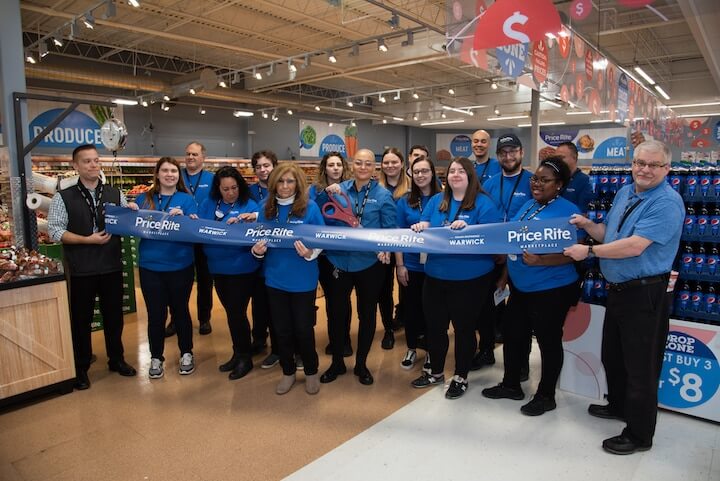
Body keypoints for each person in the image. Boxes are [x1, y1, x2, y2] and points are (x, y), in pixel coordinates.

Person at [563, 140, 684, 455]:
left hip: (644, 294)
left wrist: (587, 250)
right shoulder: (626, 193)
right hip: (617, 291)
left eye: (653, 165)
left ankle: (640, 434)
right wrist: (589, 226)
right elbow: (613, 237)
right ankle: (618, 406)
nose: (644, 169)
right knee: (613, 357)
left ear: (666, 169)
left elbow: (634, 246)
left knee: (641, 367)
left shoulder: (667, 202)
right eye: (640, 162)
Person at [482, 157, 582, 415]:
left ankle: (546, 395)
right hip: (520, 287)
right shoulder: (528, 205)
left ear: (558, 185)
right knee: (514, 335)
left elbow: (577, 252)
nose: (536, 184)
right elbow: (513, 241)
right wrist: (505, 274)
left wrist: (542, 260)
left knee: (548, 342)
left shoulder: (568, 213)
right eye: (535, 179)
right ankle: (511, 384)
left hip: (551, 289)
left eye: (544, 180)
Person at [409, 157, 502, 399]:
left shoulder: (484, 204)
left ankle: (461, 375)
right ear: (446, 177)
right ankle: (436, 371)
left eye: (462, 171)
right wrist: (421, 227)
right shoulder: (437, 201)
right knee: (436, 328)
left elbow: (493, 240)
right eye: (452, 171)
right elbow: (426, 224)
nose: (456, 175)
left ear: (471, 176)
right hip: (436, 276)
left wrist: (471, 231)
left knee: (464, 329)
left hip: (471, 279)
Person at [48, 144, 137, 390]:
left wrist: (131, 211)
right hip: (81, 269)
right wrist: (87, 240)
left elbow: (125, 223)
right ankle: (81, 367)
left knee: (114, 318)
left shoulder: (114, 193)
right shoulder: (63, 197)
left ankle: (116, 359)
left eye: (96, 160)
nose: (93, 165)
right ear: (75, 166)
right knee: (81, 320)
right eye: (87, 161)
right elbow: (55, 230)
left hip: (110, 267)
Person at [318, 148, 396, 386]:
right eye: (359, 163)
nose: (363, 167)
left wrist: (386, 247)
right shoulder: (337, 190)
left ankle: (361, 364)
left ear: (375, 168)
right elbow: (319, 218)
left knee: (367, 314)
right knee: (336, 313)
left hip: (369, 263)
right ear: (352, 165)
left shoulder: (383, 196)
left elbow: (390, 230)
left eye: (368, 164)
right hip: (337, 261)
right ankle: (338, 363)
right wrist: (324, 196)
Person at [251, 163, 326, 395]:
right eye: (281, 181)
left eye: (290, 181)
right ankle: (288, 371)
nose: (285, 186)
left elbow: (321, 239)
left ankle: (311, 371)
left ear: (298, 184)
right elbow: (257, 239)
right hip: (275, 278)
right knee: (282, 330)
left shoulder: (310, 208)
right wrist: (257, 251)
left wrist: (310, 253)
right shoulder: (266, 209)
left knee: (303, 329)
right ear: (274, 183)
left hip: (303, 279)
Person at [130, 157, 198, 379]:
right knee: (156, 315)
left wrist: (187, 219)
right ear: (157, 174)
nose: (170, 174)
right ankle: (156, 357)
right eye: (165, 170)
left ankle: (186, 352)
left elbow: (194, 230)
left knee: (181, 312)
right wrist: (130, 213)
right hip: (151, 267)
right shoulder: (143, 199)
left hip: (181, 264)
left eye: (174, 171)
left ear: (178, 176)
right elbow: (132, 227)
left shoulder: (187, 200)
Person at [473, 133, 533, 372]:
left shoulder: (532, 181)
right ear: (498, 156)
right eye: (504, 153)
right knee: (486, 307)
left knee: (521, 313)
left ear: (521, 153)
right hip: (492, 255)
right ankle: (486, 349)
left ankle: (521, 363)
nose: (508, 157)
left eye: (513, 152)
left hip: (522, 258)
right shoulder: (489, 183)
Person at [197, 166, 259, 381]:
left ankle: (244, 357)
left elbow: (258, 232)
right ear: (218, 188)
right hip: (217, 267)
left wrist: (248, 221)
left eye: (234, 188)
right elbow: (201, 229)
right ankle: (238, 353)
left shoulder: (249, 205)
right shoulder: (207, 204)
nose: (230, 192)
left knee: (236, 313)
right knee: (232, 312)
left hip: (241, 268)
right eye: (226, 189)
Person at [395, 155, 441, 370]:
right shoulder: (404, 201)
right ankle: (412, 347)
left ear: (433, 174)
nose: (421, 175)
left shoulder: (444, 199)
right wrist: (400, 265)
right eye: (417, 171)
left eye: (425, 171)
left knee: (434, 311)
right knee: (412, 309)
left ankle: (433, 350)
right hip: (412, 265)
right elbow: (398, 236)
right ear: (411, 175)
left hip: (437, 266)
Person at [165, 142, 215, 337]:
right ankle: (176, 318)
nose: (190, 157)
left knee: (205, 279)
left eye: (194, 154)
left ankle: (205, 318)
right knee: (178, 280)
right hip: (180, 236)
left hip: (203, 236)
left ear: (204, 157)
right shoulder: (176, 176)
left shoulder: (212, 178)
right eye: (187, 154)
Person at [309, 152, 353, 358]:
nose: (335, 168)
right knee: (331, 298)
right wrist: (325, 194)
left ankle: (344, 340)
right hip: (321, 254)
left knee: (341, 298)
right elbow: (310, 213)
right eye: (331, 165)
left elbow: (352, 215)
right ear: (324, 168)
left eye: (338, 165)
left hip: (343, 253)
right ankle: (335, 338)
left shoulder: (350, 189)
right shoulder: (314, 191)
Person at [377, 147, 411, 350]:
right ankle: (388, 329)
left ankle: (409, 324)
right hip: (382, 249)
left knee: (407, 289)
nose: (390, 166)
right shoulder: (375, 188)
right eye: (386, 162)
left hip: (406, 248)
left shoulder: (410, 187)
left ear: (401, 163)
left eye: (394, 162)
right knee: (384, 290)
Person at [248, 150, 280, 368]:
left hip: (278, 256)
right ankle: (259, 340)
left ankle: (279, 347)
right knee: (259, 303)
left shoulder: (284, 188)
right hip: (254, 255)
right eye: (259, 166)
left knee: (275, 306)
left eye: (267, 165)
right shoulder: (248, 192)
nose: (263, 169)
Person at [556, 141, 593, 213]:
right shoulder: (554, 180)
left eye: (561, 157)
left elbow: (584, 213)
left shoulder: (585, 181)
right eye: (556, 158)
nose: (557, 161)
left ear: (574, 158)